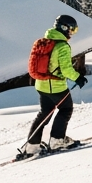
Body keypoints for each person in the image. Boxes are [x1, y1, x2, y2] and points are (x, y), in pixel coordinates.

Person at [24, 14, 85, 155]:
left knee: (44, 113)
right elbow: (66, 69)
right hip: (55, 86)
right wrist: (78, 78)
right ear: (64, 28)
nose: (72, 34)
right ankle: (57, 140)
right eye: (72, 30)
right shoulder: (62, 46)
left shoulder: (46, 41)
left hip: (41, 85)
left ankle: (32, 146)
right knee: (66, 109)